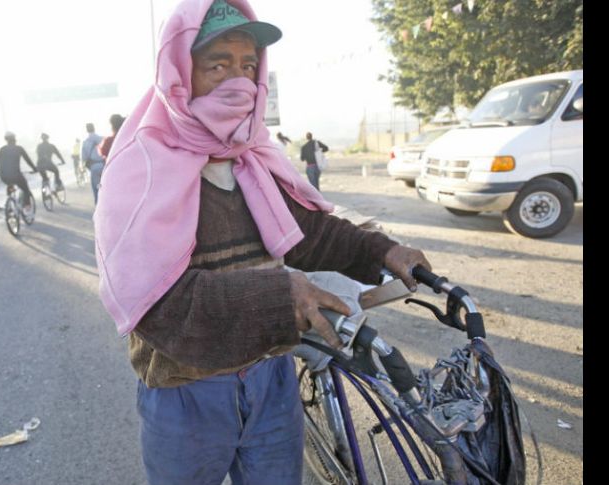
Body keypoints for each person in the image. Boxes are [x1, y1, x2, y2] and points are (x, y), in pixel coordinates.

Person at [93, 1, 432, 484]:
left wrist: (382, 250)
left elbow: (309, 234)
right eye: (218, 64)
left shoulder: (252, 157)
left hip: (271, 379)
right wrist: (282, 295)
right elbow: (156, 304)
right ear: (180, 73)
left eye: (248, 65)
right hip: (186, 392)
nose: (238, 79)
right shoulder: (139, 167)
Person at [0, 131, 37, 211]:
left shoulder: (2, 149)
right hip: (16, 176)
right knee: (25, 189)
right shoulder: (19, 148)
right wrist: (34, 168)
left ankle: (10, 202)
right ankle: (27, 206)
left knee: (10, 184)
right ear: (15, 139)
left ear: (6, 140)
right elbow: (28, 160)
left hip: (3, 176)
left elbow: (1, 164)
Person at [82, 123, 105, 204]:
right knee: (106, 188)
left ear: (87, 130)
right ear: (94, 128)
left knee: (96, 190)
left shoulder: (85, 142)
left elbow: (84, 158)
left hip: (94, 167)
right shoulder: (102, 138)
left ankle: (98, 207)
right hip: (104, 166)